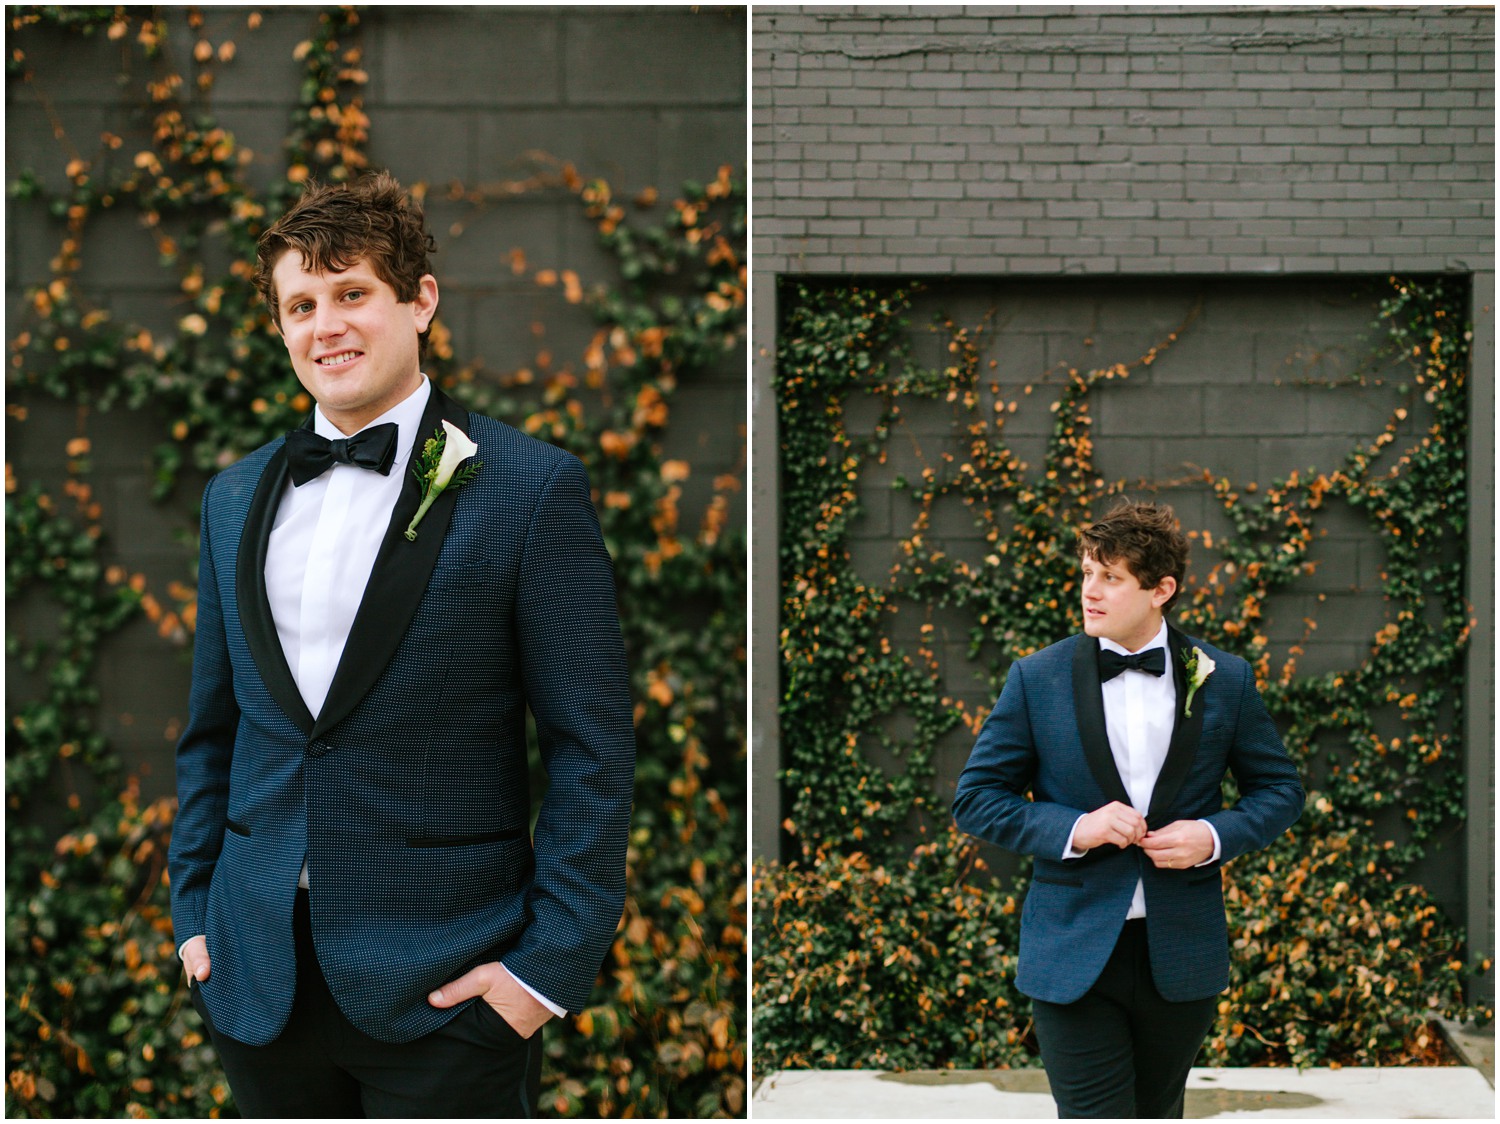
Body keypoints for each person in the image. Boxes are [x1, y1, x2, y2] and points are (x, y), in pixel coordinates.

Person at [167, 171, 635, 1117]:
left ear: (419, 300)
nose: (325, 325)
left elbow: (593, 751)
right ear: (281, 329)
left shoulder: (529, 490)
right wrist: (193, 920)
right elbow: (212, 731)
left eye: (352, 293)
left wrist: (541, 975)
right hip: (258, 983)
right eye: (301, 305)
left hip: (451, 992)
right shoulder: (231, 499)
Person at [952, 499, 1303, 1119]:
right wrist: (1076, 829)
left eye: (1110, 577)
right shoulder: (1037, 678)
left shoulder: (1223, 678)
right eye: (1087, 572)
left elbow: (1279, 790)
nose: (1090, 591)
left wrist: (1214, 836)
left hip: (1180, 953)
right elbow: (976, 800)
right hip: (1073, 950)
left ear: (1161, 590)